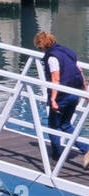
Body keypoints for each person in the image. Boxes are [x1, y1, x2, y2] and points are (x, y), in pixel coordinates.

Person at [34, 31, 89, 166]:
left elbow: (56, 78)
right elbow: (78, 71)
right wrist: (85, 90)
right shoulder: (67, 52)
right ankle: (86, 149)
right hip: (73, 93)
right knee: (65, 124)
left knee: (53, 126)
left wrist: (53, 99)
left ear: (43, 46)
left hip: (62, 96)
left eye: (39, 48)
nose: (40, 51)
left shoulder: (52, 57)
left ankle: (56, 156)